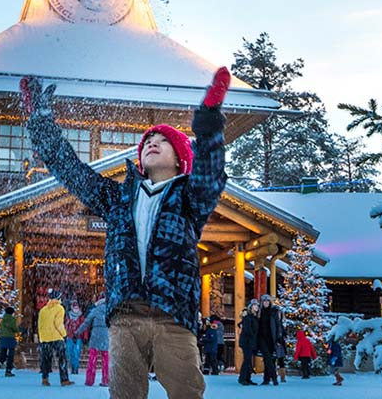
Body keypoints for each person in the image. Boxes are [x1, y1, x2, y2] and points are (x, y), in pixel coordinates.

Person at [21, 67, 230, 399]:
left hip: (173, 316)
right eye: (148, 140)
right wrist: (42, 122)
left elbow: (211, 172)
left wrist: (207, 120)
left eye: (163, 141)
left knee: (187, 393)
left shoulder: (190, 197)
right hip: (125, 317)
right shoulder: (118, 197)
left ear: (180, 160)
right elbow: (70, 170)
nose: (152, 143)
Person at [37, 289, 73, 386]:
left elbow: (40, 325)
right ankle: (64, 379)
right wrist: (64, 334)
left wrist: (41, 336)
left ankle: (45, 378)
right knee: (62, 358)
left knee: (46, 359)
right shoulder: (59, 308)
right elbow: (58, 324)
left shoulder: (43, 310)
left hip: (45, 338)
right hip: (56, 337)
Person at [78, 294, 110, 386]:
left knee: (92, 358)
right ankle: (106, 380)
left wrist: (77, 332)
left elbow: (86, 323)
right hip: (105, 335)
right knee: (106, 360)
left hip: (95, 334)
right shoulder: (109, 310)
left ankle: (90, 380)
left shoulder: (95, 310)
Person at [257, 294, 282, 385]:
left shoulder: (274, 312)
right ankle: (274, 378)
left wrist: (278, 336)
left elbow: (278, 324)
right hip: (261, 338)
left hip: (271, 338)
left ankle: (266, 379)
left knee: (270, 359)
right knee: (267, 358)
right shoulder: (259, 312)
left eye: (267, 301)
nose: (266, 303)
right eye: (264, 301)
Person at [237, 299, 261, 386]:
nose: (256, 307)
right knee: (247, 359)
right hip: (247, 341)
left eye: (257, 305)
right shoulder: (248, 317)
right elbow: (248, 330)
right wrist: (253, 336)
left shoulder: (254, 317)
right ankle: (242, 378)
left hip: (250, 341)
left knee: (248, 359)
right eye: (254, 305)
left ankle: (247, 378)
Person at [0, 306, 19, 377]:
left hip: (3, 338)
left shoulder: (3, 319)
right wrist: (19, 329)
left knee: (3, 354)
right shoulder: (12, 319)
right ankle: (8, 371)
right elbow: (15, 329)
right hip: (10, 338)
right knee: (10, 355)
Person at [64, 300, 87, 374]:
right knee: (69, 352)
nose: (76, 309)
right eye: (74, 307)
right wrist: (64, 334)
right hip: (70, 337)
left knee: (76, 353)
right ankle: (72, 366)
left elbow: (84, 327)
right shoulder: (68, 316)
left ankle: (75, 368)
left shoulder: (81, 317)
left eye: (77, 307)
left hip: (78, 337)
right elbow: (66, 326)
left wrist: (85, 337)